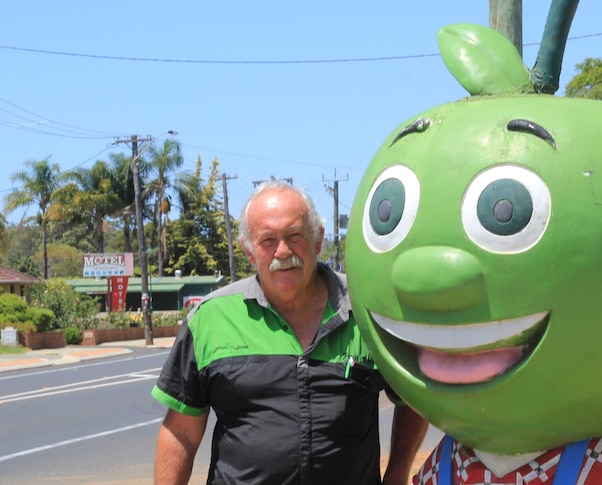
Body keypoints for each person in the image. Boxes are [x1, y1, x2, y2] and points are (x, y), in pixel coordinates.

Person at [151, 179, 428, 484]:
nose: (283, 251)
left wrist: (398, 471)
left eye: (295, 235)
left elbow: (414, 399)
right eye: (267, 240)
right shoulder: (210, 319)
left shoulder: (365, 312)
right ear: (249, 250)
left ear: (318, 239)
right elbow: (181, 432)